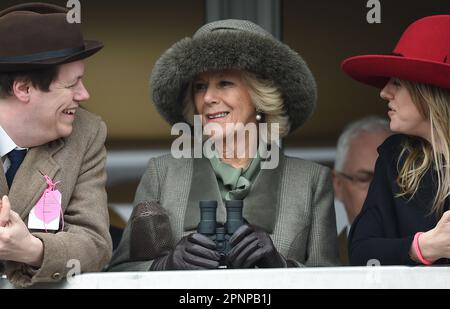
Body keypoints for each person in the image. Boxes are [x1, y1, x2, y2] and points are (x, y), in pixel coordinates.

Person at [108, 19, 339, 271]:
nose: (208, 98)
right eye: (200, 86)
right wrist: (165, 266)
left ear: (260, 95)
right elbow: (120, 271)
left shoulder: (311, 181)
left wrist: (282, 267)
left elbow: (331, 278)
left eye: (225, 83)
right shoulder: (162, 173)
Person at [0, 3, 112, 287]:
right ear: (24, 89)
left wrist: (32, 249)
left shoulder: (86, 133)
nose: (84, 94)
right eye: (72, 84)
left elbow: (95, 245)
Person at [342, 15, 450, 266]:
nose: (384, 92)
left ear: (431, 92)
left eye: (398, 83)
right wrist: (424, 246)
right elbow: (361, 252)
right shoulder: (396, 157)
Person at [332, 116, 391, 265]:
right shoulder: (316, 265)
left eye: (392, 178)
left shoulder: (435, 257)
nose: (379, 192)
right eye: (364, 179)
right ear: (338, 185)